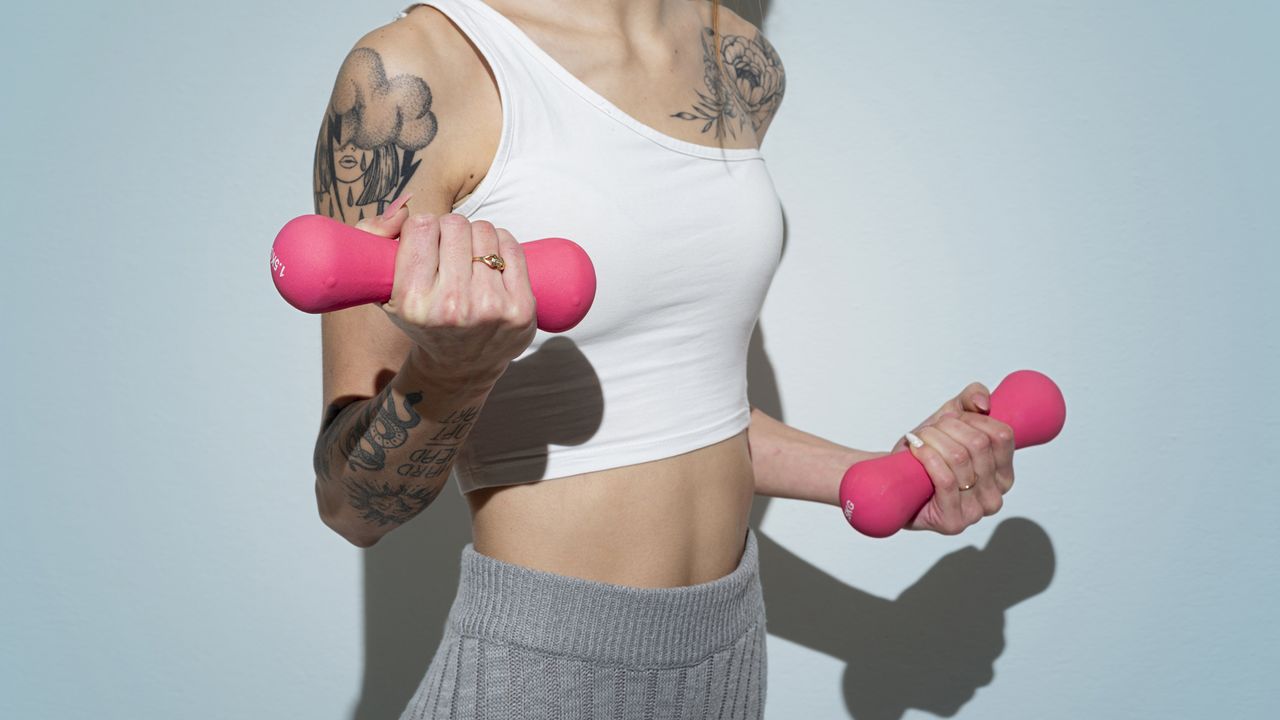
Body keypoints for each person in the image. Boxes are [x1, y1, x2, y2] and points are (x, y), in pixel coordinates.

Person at [308, 0, 1017, 717]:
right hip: (540, 673)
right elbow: (349, 505)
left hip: (726, 654)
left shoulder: (739, 59)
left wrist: (886, 473)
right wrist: (452, 372)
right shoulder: (423, 68)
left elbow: (679, 406)